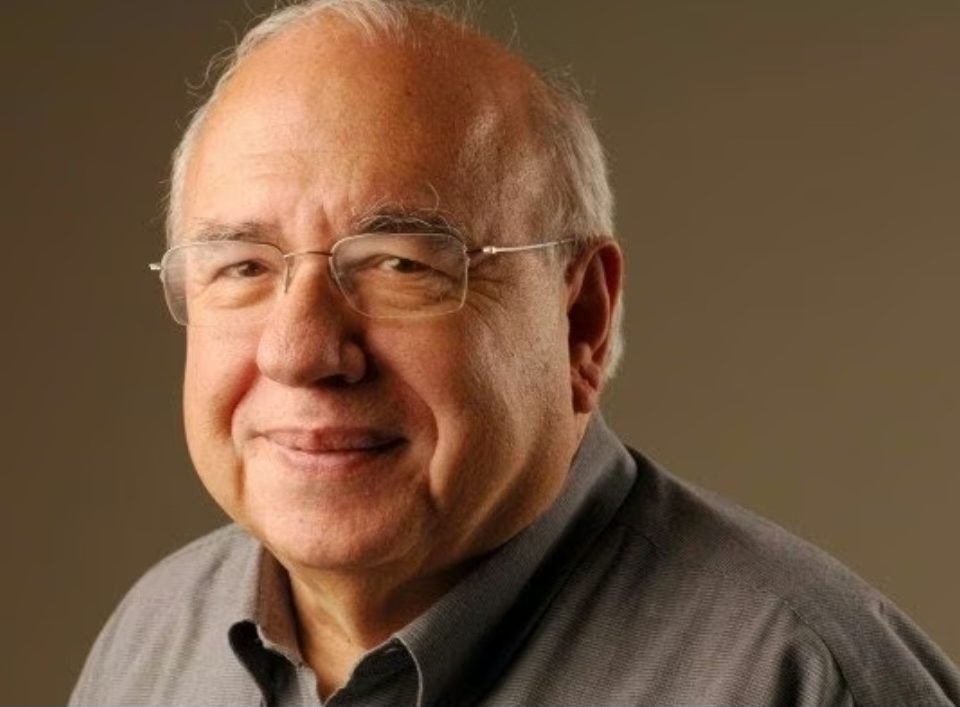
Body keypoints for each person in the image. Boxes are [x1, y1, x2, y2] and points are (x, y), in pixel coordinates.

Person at [70, 1, 959, 705]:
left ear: (582, 318)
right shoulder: (155, 640)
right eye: (243, 266)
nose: (301, 349)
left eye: (400, 263)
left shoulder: (801, 680)